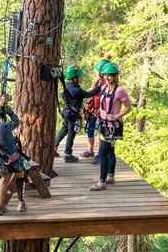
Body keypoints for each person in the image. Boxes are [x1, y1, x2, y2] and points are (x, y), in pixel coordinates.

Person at [89, 62, 132, 191]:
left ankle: (101, 183)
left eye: (111, 75)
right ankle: (110, 177)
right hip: (102, 123)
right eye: (106, 75)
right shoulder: (103, 88)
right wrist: (98, 112)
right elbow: (103, 104)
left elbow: (128, 108)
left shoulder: (120, 90)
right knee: (109, 152)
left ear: (116, 76)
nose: (108, 77)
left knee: (102, 153)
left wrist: (116, 116)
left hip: (112, 126)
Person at [55, 64, 101, 162]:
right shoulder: (76, 90)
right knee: (71, 133)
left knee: (64, 129)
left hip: (66, 112)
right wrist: (98, 87)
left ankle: (54, 146)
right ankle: (68, 154)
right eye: (80, 77)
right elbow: (89, 94)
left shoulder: (67, 85)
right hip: (72, 114)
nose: (82, 78)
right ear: (74, 78)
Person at [80, 54, 111, 164]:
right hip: (93, 110)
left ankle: (99, 154)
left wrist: (102, 111)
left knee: (100, 132)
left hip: (102, 113)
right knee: (90, 130)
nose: (99, 73)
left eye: (101, 71)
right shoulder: (97, 82)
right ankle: (90, 151)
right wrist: (87, 110)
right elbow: (91, 96)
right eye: (99, 71)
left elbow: (109, 100)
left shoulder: (109, 85)